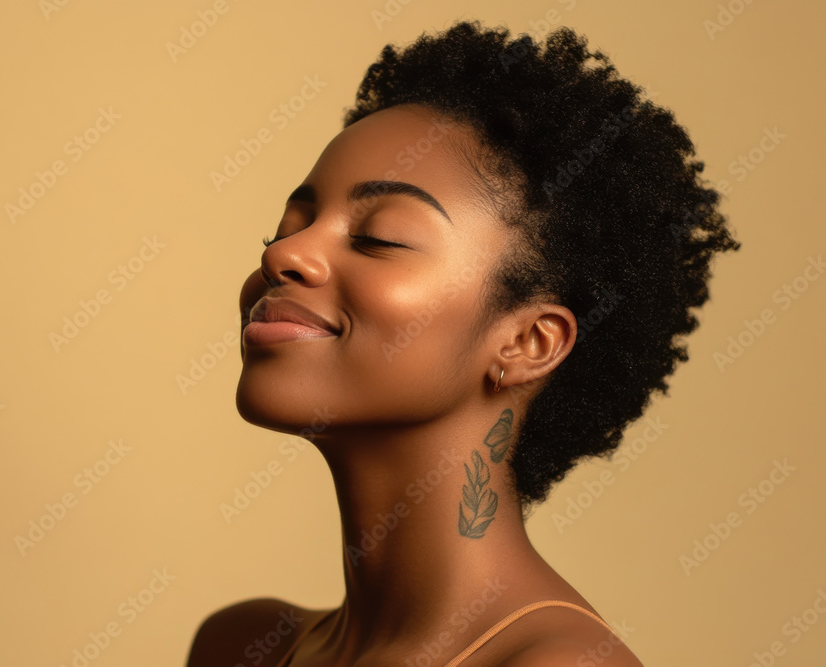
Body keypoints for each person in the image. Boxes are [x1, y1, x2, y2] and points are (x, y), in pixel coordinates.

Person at [187, 19, 739, 667]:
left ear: (528, 341)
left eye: (380, 237)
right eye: (291, 224)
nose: (285, 253)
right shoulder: (242, 646)